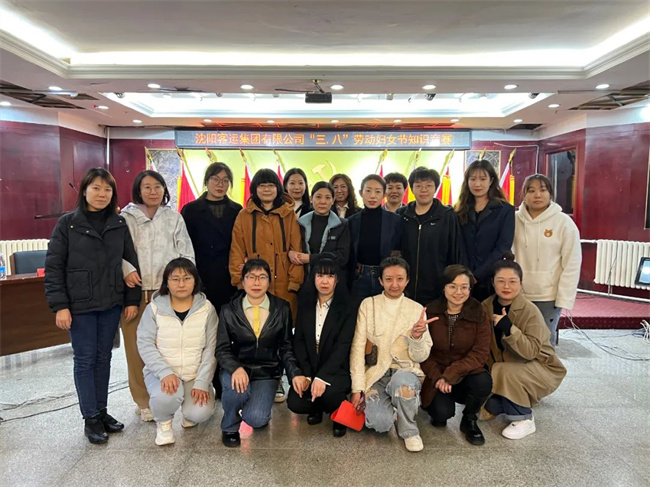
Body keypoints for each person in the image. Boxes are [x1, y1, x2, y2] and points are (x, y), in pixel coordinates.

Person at [45, 167, 141, 444]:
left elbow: (130, 263)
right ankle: (90, 417)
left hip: (110, 302)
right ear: (84, 190)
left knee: (104, 358)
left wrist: (131, 300)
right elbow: (54, 268)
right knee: (85, 360)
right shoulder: (68, 224)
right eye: (96, 188)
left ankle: (101, 411)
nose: (102, 194)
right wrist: (60, 306)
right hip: (80, 305)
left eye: (107, 189)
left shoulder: (118, 223)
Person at [120, 170, 195, 422]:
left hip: (167, 291)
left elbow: (186, 253)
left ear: (164, 190)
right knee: (135, 349)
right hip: (135, 291)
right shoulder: (126, 217)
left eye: (158, 186)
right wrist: (126, 270)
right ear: (138, 190)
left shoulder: (174, 218)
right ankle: (143, 401)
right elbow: (115, 251)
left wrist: (182, 283)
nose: (153, 192)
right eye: (147, 187)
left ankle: (168, 396)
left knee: (167, 347)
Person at [216, 259, 308, 447]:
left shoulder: (281, 308)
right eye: (251, 277)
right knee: (236, 392)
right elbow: (222, 348)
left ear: (269, 281)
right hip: (237, 368)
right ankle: (230, 425)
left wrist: (295, 374)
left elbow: (286, 347)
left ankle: (255, 407)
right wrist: (235, 368)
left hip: (267, 371)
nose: (256, 282)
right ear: (243, 281)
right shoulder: (228, 310)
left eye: (262, 277)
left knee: (256, 419)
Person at [349, 257, 434, 452]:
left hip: (405, 371)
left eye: (400, 279)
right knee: (379, 424)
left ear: (407, 280)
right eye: (388, 279)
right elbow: (358, 349)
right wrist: (357, 388)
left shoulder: (416, 309)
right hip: (376, 373)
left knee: (403, 385)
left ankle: (409, 430)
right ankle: (397, 408)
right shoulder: (368, 305)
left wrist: (417, 337)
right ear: (380, 281)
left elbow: (421, 357)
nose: (394, 284)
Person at [481, 255, 567, 439]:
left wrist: (509, 328)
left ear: (521, 284)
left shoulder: (530, 310)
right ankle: (515, 398)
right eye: (501, 281)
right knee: (489, 406)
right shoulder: (486, 306)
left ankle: (524, 418)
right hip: (508, 368)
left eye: (513, 281)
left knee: (503, 371)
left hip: (540, 368)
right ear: (493, 283)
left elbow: (530, 352)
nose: (506, 286)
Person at [137, 258, 217, 446]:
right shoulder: (154, 308)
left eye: (187, 278)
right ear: (166, 282)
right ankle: (164, 424)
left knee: (200, 412)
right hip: (163, 374)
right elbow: (145, 343)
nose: (181, 284)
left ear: (195, 281)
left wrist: (203, 381)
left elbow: (211, 348)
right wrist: (164, 372)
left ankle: (189, 413)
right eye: (175, 279)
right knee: (166, 396)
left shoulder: (206, 309)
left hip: (193, 374)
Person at [420, 265, 492, 446]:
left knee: (483, 381)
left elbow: (480, 352)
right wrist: (438, 377)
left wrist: (450, 375)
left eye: (464, 287)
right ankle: (441, 404)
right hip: (437, 374)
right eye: (452, 286)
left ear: (470, 289)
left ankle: (469, 419)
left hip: (466, 373)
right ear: (443, 287)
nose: (458, 292)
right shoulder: (429, 311)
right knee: (440, 415)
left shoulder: (479, 312)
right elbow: (423, 352)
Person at [288, 258, 356, 437]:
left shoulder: (347, 307)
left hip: (336, 369)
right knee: (295, 402)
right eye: (320, 275)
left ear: (337, 279)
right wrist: (306, 375)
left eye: (330, 276)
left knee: (330, 394)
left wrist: (322, 377)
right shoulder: (305, 303)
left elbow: (342, 347)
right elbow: (299, 340)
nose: (325, 281)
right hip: (310, 367)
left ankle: (338, 414)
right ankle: (316, 407)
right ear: (313, 278)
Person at [512, 174, 581, 346]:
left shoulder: (564, 222)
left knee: (544, 344)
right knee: (518, 342)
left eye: (542, 190)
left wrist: (564, 297)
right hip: (517, 293)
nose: (537, 195)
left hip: (548, 296)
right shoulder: (513, 220)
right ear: (524, 195)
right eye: (531, 191)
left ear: (550, 193)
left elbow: (572, 263)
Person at [229, 168, 304, 319]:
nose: (266, 190)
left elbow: (297, 249)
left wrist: (294, 282)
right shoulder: (244, 216)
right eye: (262, 186)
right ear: (254, 189)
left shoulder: (289, 215)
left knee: (285, 325)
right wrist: (239, 281)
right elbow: (237, 250)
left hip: (285, 285)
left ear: (278, 188)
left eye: (271, 185)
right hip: (253, 283)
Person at [398, 167, 465, 305]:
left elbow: (455, 252)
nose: (424, 190)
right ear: (411, 188)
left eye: (429, 185)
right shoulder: (402, 215)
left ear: (435, 188)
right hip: (404, 287)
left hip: (436, 287)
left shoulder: (447, 216)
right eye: (418, 186)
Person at [181, 162, 242, 313]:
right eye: (215, 179)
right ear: (206, 181)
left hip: (229, 276)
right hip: (201, 274)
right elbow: (184, 245)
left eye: (225, 180)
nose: (220, 184)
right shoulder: (190, 210)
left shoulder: (237, 210)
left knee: (228, 319)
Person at [455, 159, 515, 301]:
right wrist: (465, 274)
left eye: (483, 179)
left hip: (491, 278)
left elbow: (503, 247)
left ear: (491, 181)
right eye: (473, 179)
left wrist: (477, 275)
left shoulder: (505, 210)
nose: (477, 184)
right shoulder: (458, 210)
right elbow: (457, 244)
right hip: (462, 279)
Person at [348, 174, 403, 300]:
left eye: (378, 191)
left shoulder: (395, 220)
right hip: (360, 276)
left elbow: (399, 249)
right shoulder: (352, 221)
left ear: (384, 194)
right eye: (368, 191)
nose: (372, 196)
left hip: (386, 276)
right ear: (361, 193)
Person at [290, 181, 351, 280]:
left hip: (331, 280)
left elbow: (342, 257)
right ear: (311, 198)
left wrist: (310, 258)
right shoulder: (300, 223)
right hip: (304, 279)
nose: (323, 201)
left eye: (327, 197)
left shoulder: (342, 225)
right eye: (318, 197)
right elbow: (293, 247)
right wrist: (290, 253)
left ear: (333, 200)